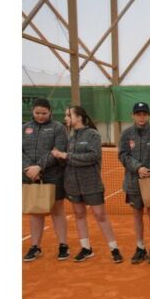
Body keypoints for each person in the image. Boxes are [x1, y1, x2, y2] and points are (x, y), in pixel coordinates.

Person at [51, 106, 123, 263]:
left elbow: (92, 156)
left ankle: (114, 249)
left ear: (79, 117)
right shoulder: (69, 137)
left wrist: (66, 155)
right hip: (72, 184)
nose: (66, 118)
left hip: (91, 183)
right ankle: (86, 248)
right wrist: (58, 156)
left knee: (100, 215)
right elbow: (66, 161)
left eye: (69, 115)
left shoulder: (93, 135)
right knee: (79, 214)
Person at [118, 102, 150, 265]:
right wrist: (138, 168)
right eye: (138, 114)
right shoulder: (126, 134)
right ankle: (140, 247)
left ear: (149, 115)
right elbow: (123, 155)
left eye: (144, 114)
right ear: (133, 115)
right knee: (137, 214)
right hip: (132, 182)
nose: (141, 117)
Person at [23, 98, 69, 262]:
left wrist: (39, 167)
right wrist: (28, 168)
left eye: (44, 113)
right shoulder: (24, 128)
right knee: (36, 212)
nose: (40, 116)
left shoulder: (58, 128)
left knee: (57, 211)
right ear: (32, 112)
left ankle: (63, 245)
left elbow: (59, 150)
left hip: (53, 176)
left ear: (50, 112)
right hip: (30, 176)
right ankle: (35, 246)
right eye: (37, 113)